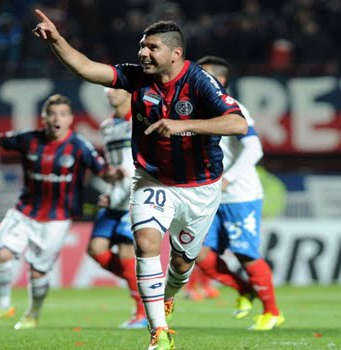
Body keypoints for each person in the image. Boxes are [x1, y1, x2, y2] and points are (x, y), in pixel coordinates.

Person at [33, 12, 248, 350]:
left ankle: (169, 295)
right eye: (141, 47)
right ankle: (159, 333)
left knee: (181, 263)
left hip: (200, 187)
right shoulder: (137, 78)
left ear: (175, 54)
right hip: (152, 179)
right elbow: (86, 68)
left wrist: (184, 125)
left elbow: (237, 125)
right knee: (146, 242)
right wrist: (57, 40)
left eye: (152, 47)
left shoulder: (200, 82)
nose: (143, 54)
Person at [0, 94, 107, 330]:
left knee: (38, 273)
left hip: (57, 219)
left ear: (70, 118)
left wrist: (116, 184)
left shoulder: (80, 146)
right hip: (24, 211)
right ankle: (2, 306)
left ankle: (33, 313)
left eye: (62, 114)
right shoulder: (28, 139)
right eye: (51, 114)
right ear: (43, 118)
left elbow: (104, 171)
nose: (56, 119)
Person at [195, 56, 284, 330]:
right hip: (210, 196)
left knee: (245, 253)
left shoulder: (233, 109)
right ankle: (244, 289)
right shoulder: (196, 110)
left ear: (219, 81)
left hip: (239, 196)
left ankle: (272, 311)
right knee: (197, 254)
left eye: (204, 76)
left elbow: (254, 149)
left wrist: (228, 179)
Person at [88, 87, 147, 329]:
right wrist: (109, 178)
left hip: (135, 194)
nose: (109, 92)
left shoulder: (142, 119)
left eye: (115, 88)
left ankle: (142, 313)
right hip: (114, 196)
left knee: (126, 256)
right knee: (96, 249)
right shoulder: (106, 126)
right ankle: (147, 286)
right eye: (107, 89)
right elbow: (111, 165)